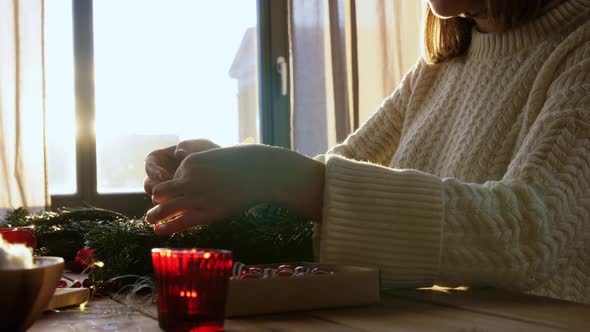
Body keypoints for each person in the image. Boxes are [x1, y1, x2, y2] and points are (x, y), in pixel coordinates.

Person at [144, 0, 590, 304]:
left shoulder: (579, 48)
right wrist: (232, 174)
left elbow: (531, 233)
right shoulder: (438, 69)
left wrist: (278, 176)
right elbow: (333, 181)